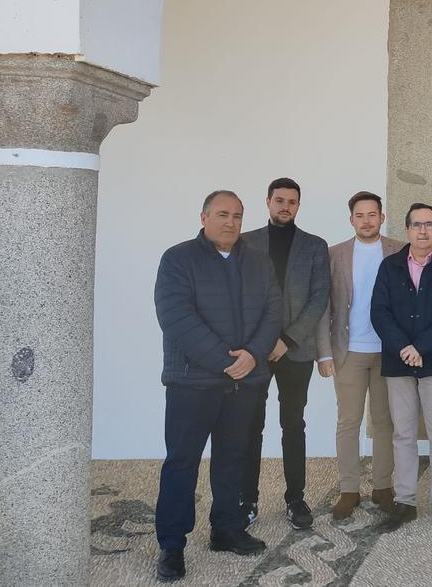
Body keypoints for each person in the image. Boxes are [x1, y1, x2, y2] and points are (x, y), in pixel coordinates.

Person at [153, 190, 281, 582]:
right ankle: (172, 544)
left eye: (238, 215)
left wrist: (253, 355)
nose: (231, 222)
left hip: (244, 382)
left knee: (233, 458)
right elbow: (176, 317)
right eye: (222, 214)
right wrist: (229, 362)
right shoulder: (178, 259)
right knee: (182, 462)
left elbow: (274, 309)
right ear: (204, 216)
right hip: (193, 380)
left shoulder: (259, 261)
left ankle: (226, 529)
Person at [240, 177, 330, 530]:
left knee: (293, 425)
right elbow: (242, 298)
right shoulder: (246, 243)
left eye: (292, 201)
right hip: (255, 352)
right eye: (279, 200)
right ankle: (247, 499)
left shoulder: (314, 246)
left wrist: (288, 340)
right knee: (251, 426)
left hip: (296, 352)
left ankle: (295, 498)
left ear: (298, 205)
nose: (285, 206)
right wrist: (263, 342)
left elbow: (319, 297)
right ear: (267, 202)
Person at [371, 203, 432, 534]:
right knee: (404, 434)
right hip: (399, 364)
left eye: (429, 224)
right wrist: (404, 348)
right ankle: (405, 501)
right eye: (416, 224)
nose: (423, 230)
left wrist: (420, 347)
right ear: (407, 229)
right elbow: (379, 312)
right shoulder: (390, 266)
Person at [315, 191, 403, 520]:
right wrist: (324, 353)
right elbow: (323, 306)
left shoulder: (398, 250)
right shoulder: (334, 254)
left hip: (388, 352)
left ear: (382, 217)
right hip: (348, 352)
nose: (366, 220)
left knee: (384, 422)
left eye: (372, 214)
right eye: (360, 215)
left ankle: (383, 487)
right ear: (351, 220)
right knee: (348, 422)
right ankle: (348, 489)